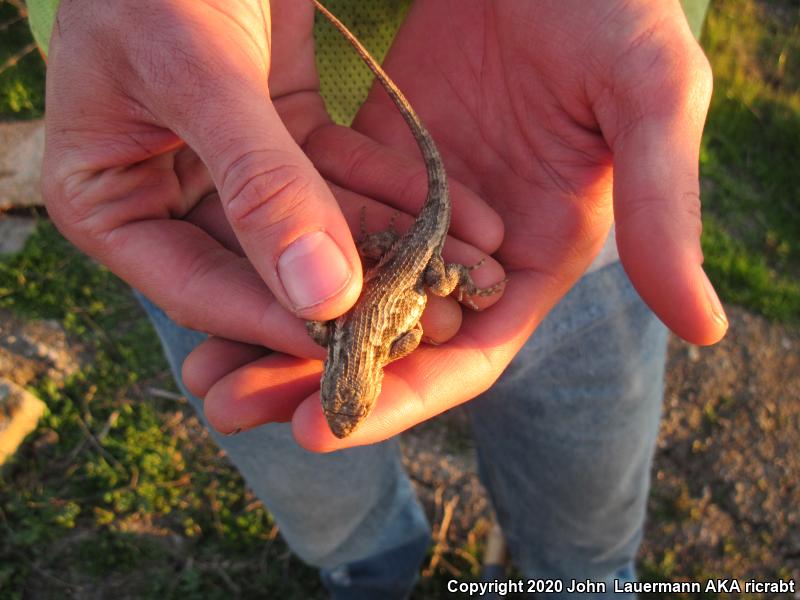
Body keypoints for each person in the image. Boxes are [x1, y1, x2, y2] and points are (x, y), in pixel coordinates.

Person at [33, 0, 727, 597]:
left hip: (491, 179)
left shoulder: (346, 346)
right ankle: (367, 569)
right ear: (345, 376)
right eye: (348, 403)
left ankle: (583, 577)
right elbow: (369, 335)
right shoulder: (340, 344)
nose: (345, 409)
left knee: (586, 508)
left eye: (348, 403)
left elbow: (379, 334)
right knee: (317, 484)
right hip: (219, 159)